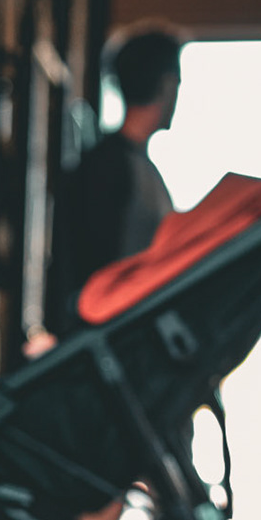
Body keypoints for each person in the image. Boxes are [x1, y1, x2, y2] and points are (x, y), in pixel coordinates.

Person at [59, 22, 185, 312]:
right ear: (166, 85)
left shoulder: (139, 165)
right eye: (178, 83)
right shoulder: (109, 166)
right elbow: (93, 267)